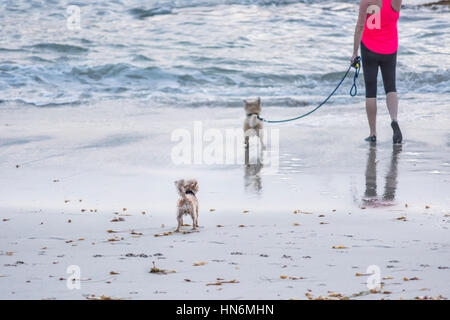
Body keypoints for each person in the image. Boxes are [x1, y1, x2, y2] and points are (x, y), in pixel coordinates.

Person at [351, 0, 403, 144]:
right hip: (390, 47)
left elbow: (360, 26)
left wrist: (354, 52)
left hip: (369, 47)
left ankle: (373, 133)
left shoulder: (366, 1)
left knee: (371, 90)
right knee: (391, 87)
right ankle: (394, 119)